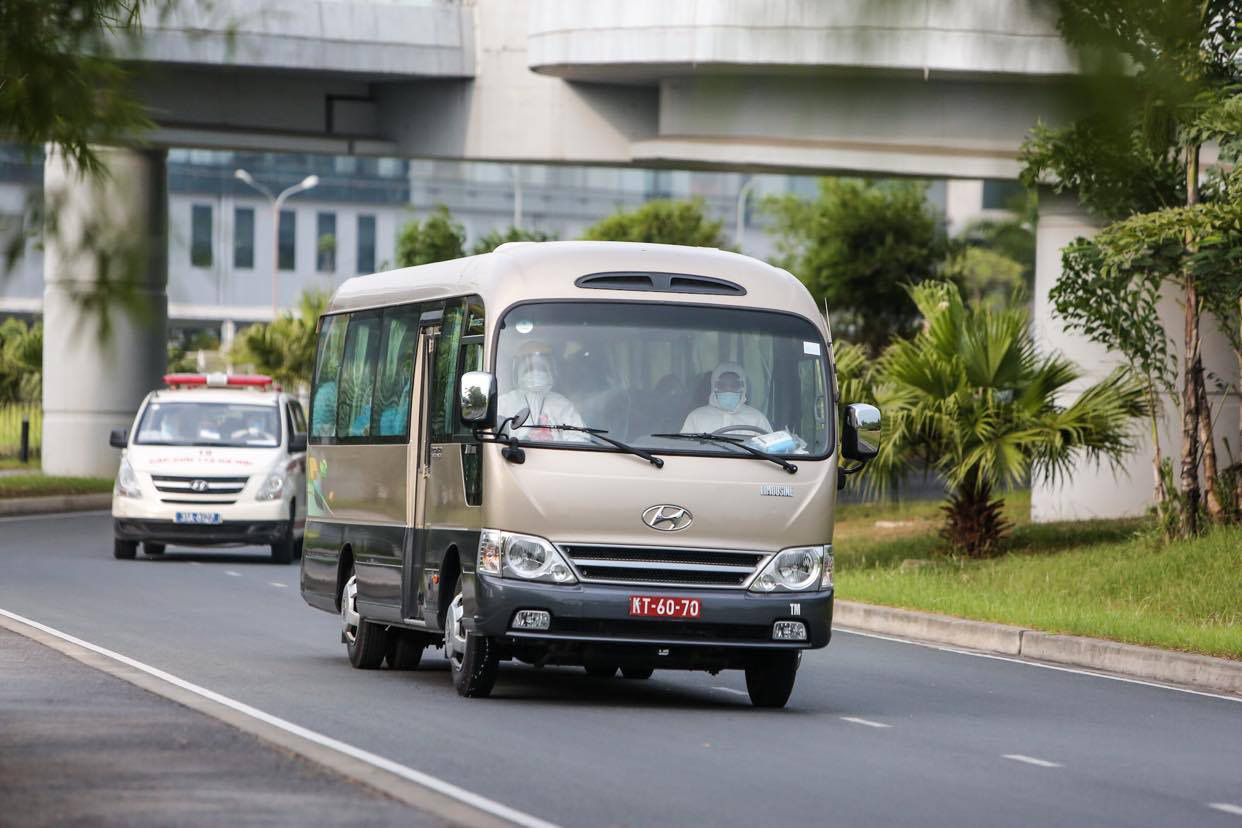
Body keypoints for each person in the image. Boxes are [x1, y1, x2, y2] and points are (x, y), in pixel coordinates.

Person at [496, 340, 585, 440]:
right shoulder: (504, 403)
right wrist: (526, 438)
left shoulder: (562, 405)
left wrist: (553, 442)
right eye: (528, 369)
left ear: (551, 372)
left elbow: (580, 438)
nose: (535, 373)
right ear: (517, 372)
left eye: (541, 368)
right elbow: (494, 439)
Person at [680, 361, 773, 434]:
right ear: (714, 387)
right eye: (722, 385)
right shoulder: (696, 417)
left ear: (743, 388)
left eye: (734, 385)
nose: (728, 390)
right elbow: (684, 450)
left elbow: (769, 451)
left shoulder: (757, 419)